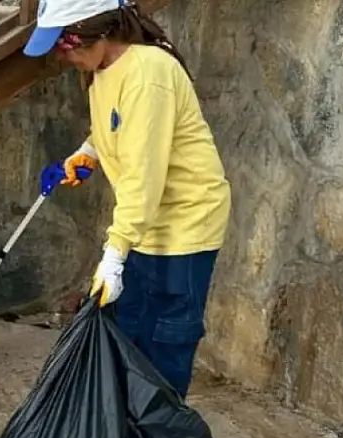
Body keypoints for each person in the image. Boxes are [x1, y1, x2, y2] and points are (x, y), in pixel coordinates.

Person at [29, 0, 232, 400]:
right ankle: (131, 430)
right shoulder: (103, 71)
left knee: (166, 340)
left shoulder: (147, 75)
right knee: (134, 329)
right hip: (146, 223)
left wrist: (114, 252)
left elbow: (144, 176)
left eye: (63, 44)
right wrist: (88, 153)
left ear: (94, 31)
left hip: (184, 225)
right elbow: (116, 129)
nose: (60, 55)